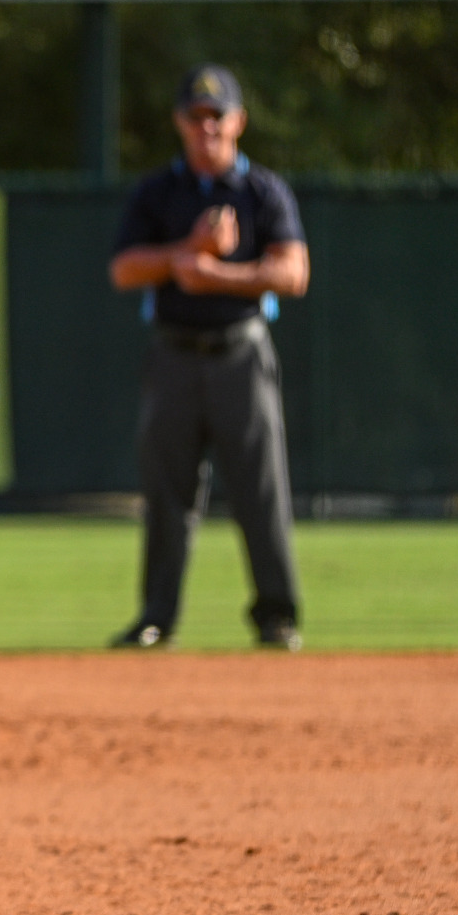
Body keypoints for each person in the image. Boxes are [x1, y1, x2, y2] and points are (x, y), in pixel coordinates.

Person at [107, 65, 311, 652]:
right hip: (174, 355)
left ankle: (277, 616)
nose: (207, 128)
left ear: (238, 121)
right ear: (180, 122)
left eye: (217, 116)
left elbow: (294, 273)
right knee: (166, 495)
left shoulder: (262, 191)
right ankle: (156, 619)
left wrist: (216, 273)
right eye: (196, 117)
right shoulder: (157, 193)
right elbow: (124, 269)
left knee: (260, 490)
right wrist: (188, 251)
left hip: (240, 354)